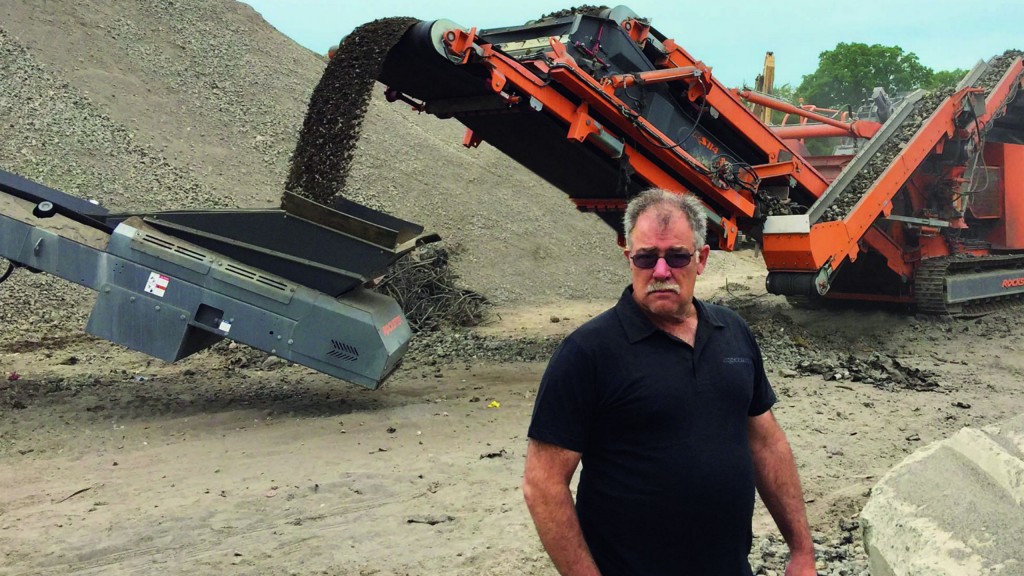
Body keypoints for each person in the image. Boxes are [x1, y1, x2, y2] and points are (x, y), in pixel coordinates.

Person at [522, 189, 816, 575]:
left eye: (677, 256)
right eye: (646, 257)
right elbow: (542, 484)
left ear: (702, 259)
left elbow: (766, 442)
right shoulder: (587, 353)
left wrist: (802, 551)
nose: (661, 272)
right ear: (629, 259)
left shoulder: (733, 333)